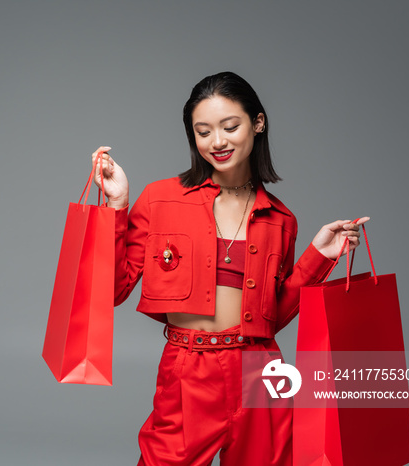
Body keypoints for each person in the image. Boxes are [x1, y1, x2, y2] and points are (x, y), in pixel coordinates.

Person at [90, 72, 368, 466]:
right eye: (203, 132)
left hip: (261, 367)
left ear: (257, 122)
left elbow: (270, 317)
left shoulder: (281, 219)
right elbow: (110, 291)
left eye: (229, 126)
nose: (217, 142)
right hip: (189, 367)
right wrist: (117, 206)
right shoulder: (160, 199)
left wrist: (319, 256)